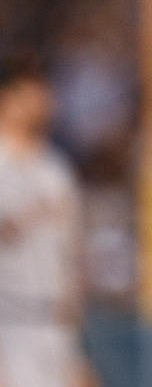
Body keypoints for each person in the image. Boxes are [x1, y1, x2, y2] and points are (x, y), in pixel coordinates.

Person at [0, 57, 98, 387]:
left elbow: (72, 254)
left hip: (56, 322)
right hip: (10, 322)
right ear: (7, 98)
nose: (43, 99)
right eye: (31, 90)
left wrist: (77, 345)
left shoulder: (56, 169)